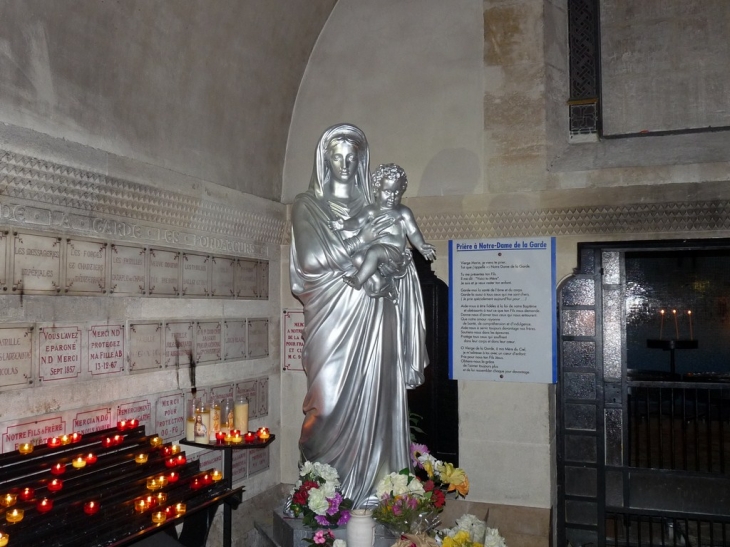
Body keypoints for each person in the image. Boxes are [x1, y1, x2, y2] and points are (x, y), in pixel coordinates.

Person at [290, 123, 429, 507]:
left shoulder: (377, 207)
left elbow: (400, 258)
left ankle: (377, 492)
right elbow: (311, 258)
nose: (346, 163)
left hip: (375, 316)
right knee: (327, 405)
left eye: (353, 157)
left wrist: (390, 267)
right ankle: (322, 496)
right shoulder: (308, 205)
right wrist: (362, 241)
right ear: (325, 161)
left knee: (380, 398)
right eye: (337, 156)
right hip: (330, 320)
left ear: (363, 161)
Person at [329, 163, 436, 296]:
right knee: (357, 258)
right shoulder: (370, 210)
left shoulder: (403, 211)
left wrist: (421, 245)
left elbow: (413, 232)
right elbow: (357, 222)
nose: (392, 196)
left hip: (395, 252)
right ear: (376, 190)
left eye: (397, 192)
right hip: (376, 251)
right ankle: (379, 282)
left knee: (374, 252)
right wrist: (343, 224)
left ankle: (358, 280)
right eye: (387, 191)